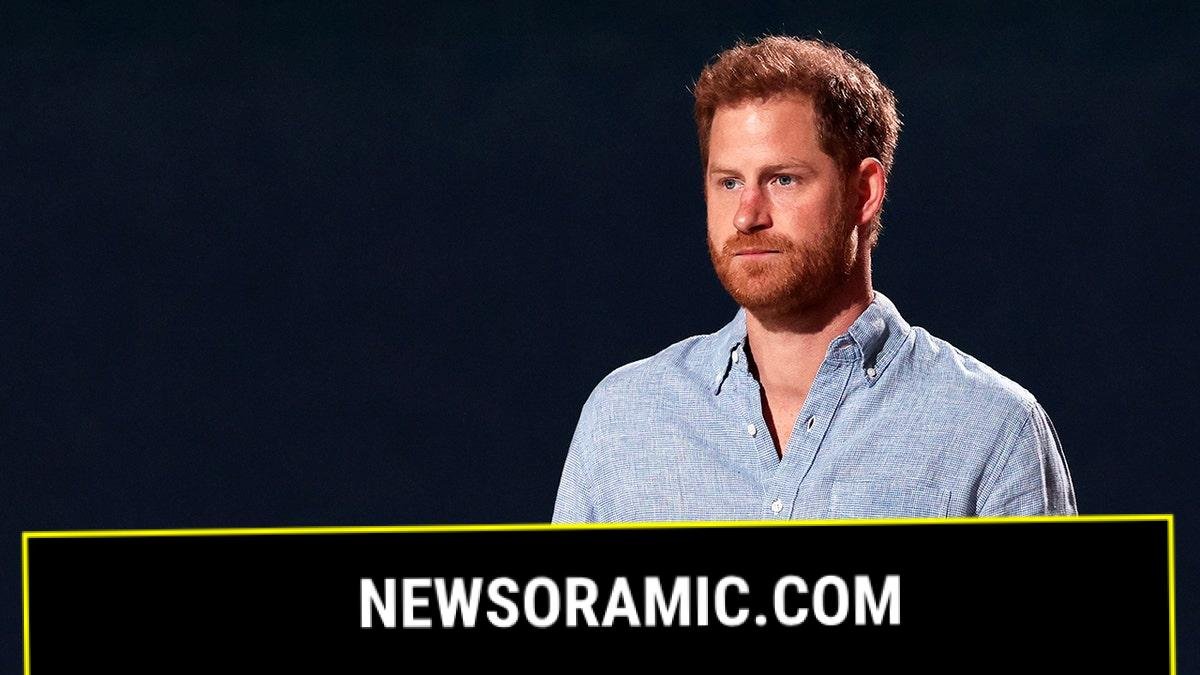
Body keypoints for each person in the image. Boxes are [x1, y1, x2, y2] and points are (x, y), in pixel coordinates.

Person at [551, 36, 1076, 522]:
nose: (746, 216)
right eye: (729, 182)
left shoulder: (990, 428)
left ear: (864, 192)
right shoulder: (624, 417)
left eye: (783, 179)